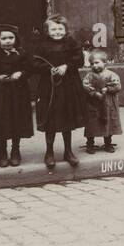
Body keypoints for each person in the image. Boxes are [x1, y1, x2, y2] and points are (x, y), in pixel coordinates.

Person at [30, 14, 87, 171]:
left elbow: (79, 59)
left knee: (67, 118)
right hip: (49, 87)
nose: (57, 32)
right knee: (50, 118)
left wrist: (66, 66)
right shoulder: (42, 45)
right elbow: (34, 62)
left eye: (60, 29)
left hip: (68, 85)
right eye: (53, 29)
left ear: (66, 30)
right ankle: (49, 152)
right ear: (47, 31)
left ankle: (68, 151)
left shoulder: (71, 42)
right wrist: (49, 69)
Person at [0, 23, 33, 168]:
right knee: (2, 120)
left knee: (17, 119)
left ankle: (16, 150)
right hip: (0, 93)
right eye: (4, 38)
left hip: (18, 92)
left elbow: (30, 68)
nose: (7, 41)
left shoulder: (22, 53)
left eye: (11, 37)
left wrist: (21, 73)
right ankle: (2, 150)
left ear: (16, 39)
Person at [82, 50, 123, 154]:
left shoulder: (111, 75)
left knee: (108, 122)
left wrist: (108, 89)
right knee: (92, 124)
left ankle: (108, 143)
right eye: (92, 64)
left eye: (97, 63)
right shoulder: (89, 76)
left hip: (108, 104)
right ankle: (90, 144)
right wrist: (94, 93)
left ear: (105, 62)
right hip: (93, 104)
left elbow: (117, 85)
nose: (94, 66)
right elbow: (85, 86)